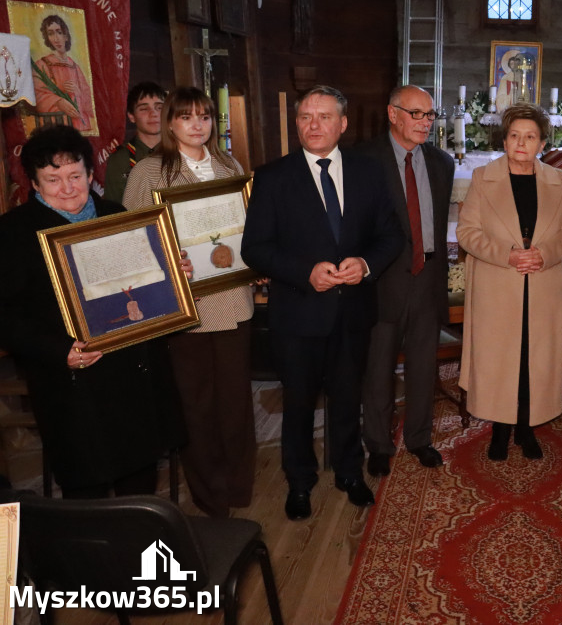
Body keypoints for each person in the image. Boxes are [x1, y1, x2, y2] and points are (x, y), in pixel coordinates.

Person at [241, 85, 403, 520]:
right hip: (298, 312)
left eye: (324, 116)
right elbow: (255, 248)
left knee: (349, 396)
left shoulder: (369, 173)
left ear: (343, 124)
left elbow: (392, 236)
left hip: (353, 310)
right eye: (305, 117)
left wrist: (366, 264)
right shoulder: (272, 177)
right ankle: (299, 481)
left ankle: (349, 473)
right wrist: (304, 272)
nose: (314, 125)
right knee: (297, 401)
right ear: (296, 124)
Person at [0, 125, 185, 498]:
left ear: (89, 174)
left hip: (132, 372)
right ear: (35, 184)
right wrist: (59, 351)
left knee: (141, 489)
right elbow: (5, 317)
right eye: (53, 179)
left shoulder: (116, 214)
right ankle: (96, 557)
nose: (67, 188)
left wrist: (170, 276)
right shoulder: (13, 232)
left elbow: (143, 286)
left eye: (75, 176)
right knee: (88, 492)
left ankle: (149, 557)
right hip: (71, 381)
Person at [122, 87, 256, 518]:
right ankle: (210, 494)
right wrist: (166, 258)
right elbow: (134, 238)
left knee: (235, 401)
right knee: (197, 404)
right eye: (186, 117)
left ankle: (239, 485)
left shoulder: (229, 164)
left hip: (233, 299)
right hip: (186, 307)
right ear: (170, 123)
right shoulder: (150, 172)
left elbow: (244, 228)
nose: (197, 125)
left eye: (204, 117)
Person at [457, 103, 562, 460]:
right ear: (505, 140)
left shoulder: (557, 181)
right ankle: (499, 431)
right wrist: (507, 254)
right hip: (498, 283)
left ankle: (527, 429)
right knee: (500, 360)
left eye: (530, 137)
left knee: (534, 357)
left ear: (542, 143)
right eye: (514, 136)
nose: (521, 143)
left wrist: (545, 253)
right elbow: (467, 232)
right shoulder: (483, 178)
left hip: (541, 284)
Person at [359, 85, 454, 477]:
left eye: (430, 115)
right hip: (382, 279)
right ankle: (379, 444)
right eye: (416, 114)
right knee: (378, 367)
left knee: (422, 365)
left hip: (428, 274)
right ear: (393, 114)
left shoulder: (442, 163)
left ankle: (419, 438)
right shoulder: (363, 160)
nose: (425, 123)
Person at [104, 82, 166, 204]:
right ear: (131, 116)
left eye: (159, 108)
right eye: (144, 109)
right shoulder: (119, 160)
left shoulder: (181, 153)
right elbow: (113, 208)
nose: (153, 114)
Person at [32, 15, 96, 133]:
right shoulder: (42, 65)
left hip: (80, 128)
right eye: (51, 33)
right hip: (56, 128)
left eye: (59, 32)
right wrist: (58, 101)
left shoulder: (74, 67)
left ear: (66, 36)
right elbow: (36, 96)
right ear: (47, 38)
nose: (56, 38)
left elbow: (90, 102)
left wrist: (79, 93)